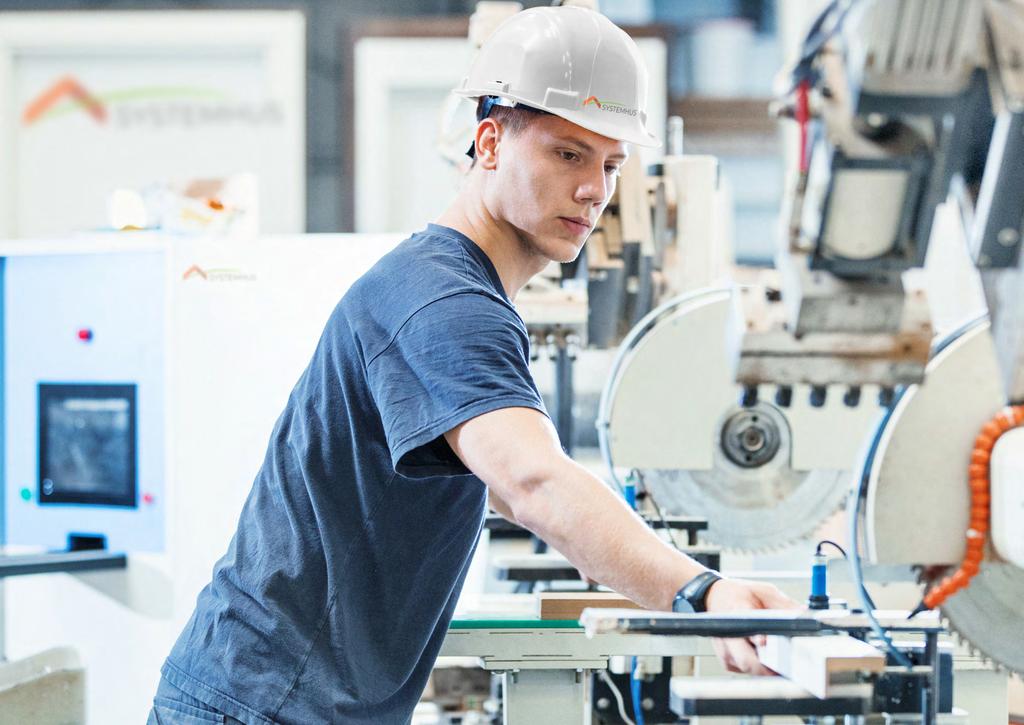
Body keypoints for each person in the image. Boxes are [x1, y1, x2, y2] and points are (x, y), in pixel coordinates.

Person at [148, 6, 797, 724]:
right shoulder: (448, 301)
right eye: (568, 153)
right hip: (265, 706)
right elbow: (532, 481)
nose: (596, 189)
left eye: (612, 164)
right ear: (489, 142)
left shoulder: (452, 284)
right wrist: (702, 591)